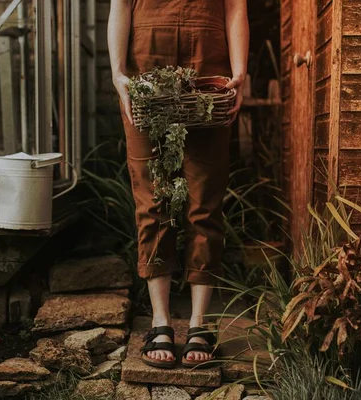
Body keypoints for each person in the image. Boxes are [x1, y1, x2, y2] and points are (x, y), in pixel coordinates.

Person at [108, 0, 249, 369]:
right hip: (146, 67)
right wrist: (118, 73)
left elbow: (235, 7)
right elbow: (120, 4)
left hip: (210, 66)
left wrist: (240, 71)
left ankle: (200, 323)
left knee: (205, 200)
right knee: (153, 199)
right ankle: (160, 321)